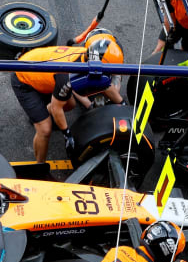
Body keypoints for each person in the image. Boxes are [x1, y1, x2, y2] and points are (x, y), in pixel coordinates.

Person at [11, 30, 126, 164]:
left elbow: (105, 85)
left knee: (70, 104)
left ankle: (41, 114)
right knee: (45, 129)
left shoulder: (88, 57)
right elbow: (57, 107)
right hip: (24, 78)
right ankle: (39, 166)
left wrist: (123, 104)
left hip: (43, 68)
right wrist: (67, 134)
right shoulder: (67, 75)